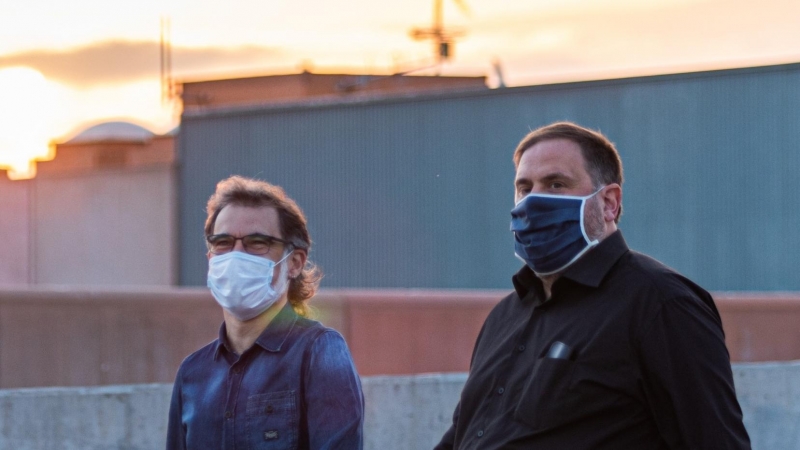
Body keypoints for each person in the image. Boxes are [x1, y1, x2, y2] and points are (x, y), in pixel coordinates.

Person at [435, 122, 750, 449]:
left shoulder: (661, 304)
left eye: (556, 184)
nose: (533, 202)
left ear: (609, 203)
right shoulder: (504, 316)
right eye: (525, 188)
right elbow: (467, 433)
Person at [167, 175, 364, 449]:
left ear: (294, 262)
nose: (237, 254)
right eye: (222, 242)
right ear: (210, 256)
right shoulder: (193, 372)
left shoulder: (318, 352)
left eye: (256, 242)